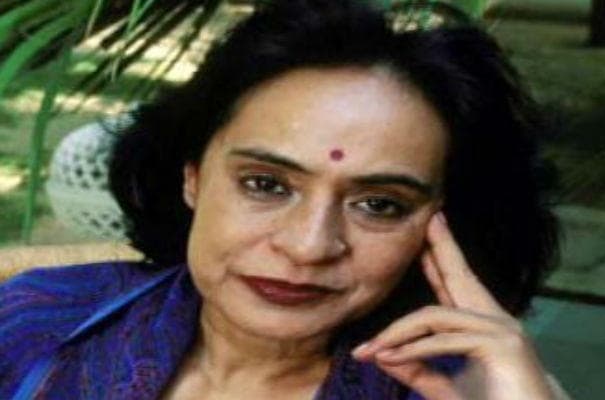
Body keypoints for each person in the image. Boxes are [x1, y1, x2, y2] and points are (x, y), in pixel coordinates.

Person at [0, 0, 567, 399]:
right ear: (191, 176)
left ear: (441, 224)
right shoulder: (35, 323)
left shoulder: (465, 390)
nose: (308, 246)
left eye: (380, 204)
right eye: (266, 184)